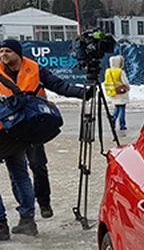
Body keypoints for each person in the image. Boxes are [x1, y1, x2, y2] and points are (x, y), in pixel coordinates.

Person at [0, 39, 87, 231]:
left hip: (29, 127)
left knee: (32, 168)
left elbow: (59, 86)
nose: (3, 54)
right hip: (5, 129)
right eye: (1, 51)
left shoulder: (35, 68)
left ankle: (36, 210)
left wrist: (82, 92)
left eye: (7, 51)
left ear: (18, 53)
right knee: (20, 173)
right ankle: (22, 219)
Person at [104, 55, 130, 132]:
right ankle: (122, 125)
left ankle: (113, 118)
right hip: (121, 91)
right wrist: (128, 87)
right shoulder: (120, 72)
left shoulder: (108, 71)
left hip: (114, 91)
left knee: (117, 107)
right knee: (122, 108)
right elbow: (125, 81)